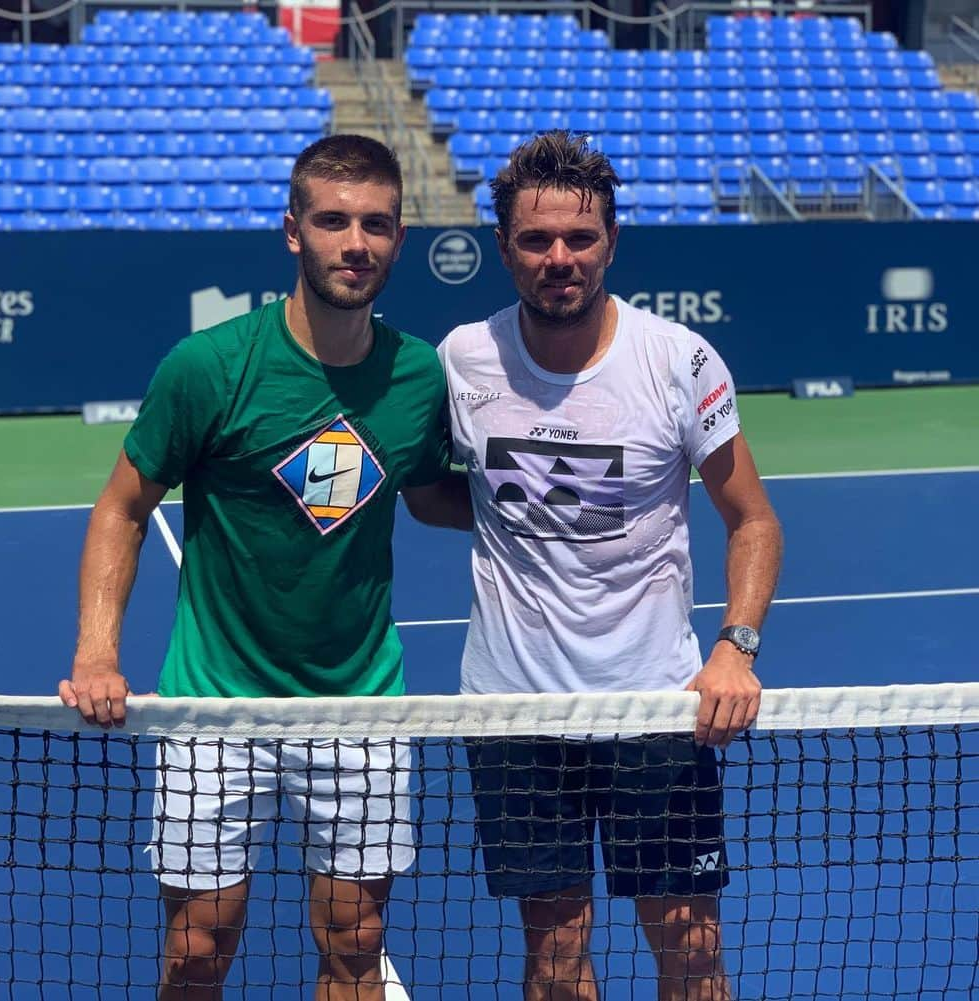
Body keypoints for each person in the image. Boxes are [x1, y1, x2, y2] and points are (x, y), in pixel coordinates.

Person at [58, 134, 470, 1001]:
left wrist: (565, 508)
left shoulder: (417, 376)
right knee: (197, 952)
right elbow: (123, 506)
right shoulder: (209, 367)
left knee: (356, 945)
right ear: (293, 232)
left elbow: (434, 493)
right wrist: (97, 651)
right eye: (332, 221)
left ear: (399, 238)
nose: (355, 242)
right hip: (214, 704)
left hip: (359, 705)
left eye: (376, 224)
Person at [436, 131, 783, 1001]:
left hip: (658, 709)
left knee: (691, 951)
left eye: (580, 239)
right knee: (554, 957)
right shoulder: (462, 358)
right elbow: (429, 491)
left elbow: (753, 520)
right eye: (537, 240)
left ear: (612, 242)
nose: (561, 258)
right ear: (503, 246)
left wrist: (736, 646)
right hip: (517, 710)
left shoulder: (678, 360)